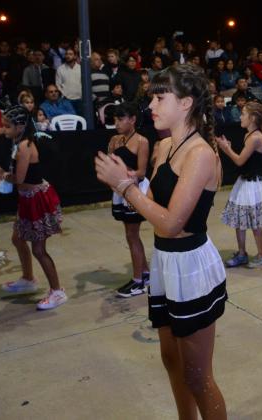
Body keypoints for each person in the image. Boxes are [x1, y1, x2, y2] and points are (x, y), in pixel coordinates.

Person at [95, 64, 227, 420]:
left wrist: (123, 186)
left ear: (185, 103)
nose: (150, 105)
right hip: (166, 263)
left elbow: (170, 223)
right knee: (173, 361)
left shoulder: (201, 154)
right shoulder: (165, 145)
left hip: (191, 264)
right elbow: (152, 207)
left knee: (199, 376)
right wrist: (129, 184)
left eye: (159, 97)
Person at [0, 106, 66, 310]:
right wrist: (5, 173)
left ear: (20, 126)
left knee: (39, 249)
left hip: (37, 199)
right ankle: (28, 278)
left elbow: (19, 179)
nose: (3, 129)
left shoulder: (24, 146)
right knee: (17, 238)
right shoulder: (18, 142)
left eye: (7, 126)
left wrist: (1, 176)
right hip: (27, 197)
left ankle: (57, 292)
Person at [217, 102, 262, 268]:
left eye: (243, 113)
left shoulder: (256, 138)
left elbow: (239, 160)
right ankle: (242, 253)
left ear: (252, 118)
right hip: (245, 182)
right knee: (239, 220)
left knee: (255, 222)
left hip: (254, 186)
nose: (240, 116)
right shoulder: (249, 135)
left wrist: (226, 148)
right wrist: (229, 148)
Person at [106, 103, 151, 298]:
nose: (116, 123)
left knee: (132, 235)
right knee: (131, 234)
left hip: (134, 189)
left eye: (120, 119)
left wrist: (124, 177)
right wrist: (113, 180)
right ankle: (146, 274)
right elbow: (109, 164)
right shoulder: (114, 140)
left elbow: (142, 171)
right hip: (120, 190)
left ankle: (138, 281)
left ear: (132, 119)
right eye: (115, 119)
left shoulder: (142, 141)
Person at [55, 49, 83, 115]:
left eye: (70, 54)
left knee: (80, 120)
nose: (68, 56)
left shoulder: (81, 68)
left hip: (79, 99)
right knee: (68, 120)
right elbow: (58, 85)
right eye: (66, 54)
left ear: (75, 56)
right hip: (66, 100)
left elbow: (84, 84)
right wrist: (63, 97)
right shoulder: (60, 69)